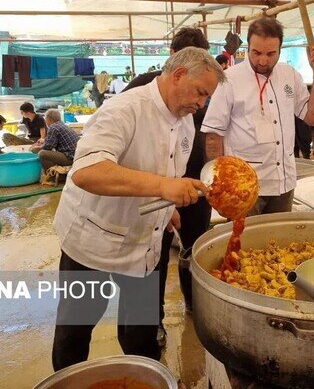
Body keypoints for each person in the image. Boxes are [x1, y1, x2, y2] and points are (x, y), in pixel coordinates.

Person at [51, 47, 225, 371]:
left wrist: (167, 208)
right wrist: (164, 187)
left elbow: (165, 174)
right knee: (75, 332)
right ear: (178, 75)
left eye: (207, 98)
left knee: (142, 332)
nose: (202, 104)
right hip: (93, 242)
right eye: (201, 93)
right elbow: (88, 172)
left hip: (144, 245)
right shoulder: (124, 110)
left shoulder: (185, 124)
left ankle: (146, 376)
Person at [121, 26, 211, 347]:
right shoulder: (140, 89)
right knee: (153, 255)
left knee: (197, 248)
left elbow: (213, 132)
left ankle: (196, 305)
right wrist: (160, 190)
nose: (199, 100)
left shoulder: (207, 84)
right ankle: (153, 322)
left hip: (196, 183)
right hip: (156, 189)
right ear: (174, 60)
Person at [202, 17, 314, 215]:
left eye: (271, 54)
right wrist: (220, 182)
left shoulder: (290, 75)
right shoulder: (230, 79)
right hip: (244, 187)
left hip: (283, 182)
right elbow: (213, 134)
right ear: (248, 46)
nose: (262, 60)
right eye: (256, 53)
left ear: (280, 49)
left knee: (279, 244)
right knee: (244, 242)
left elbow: (313, 118)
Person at [122, 28, 209, 93]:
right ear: (172, 52)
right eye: (189, 59)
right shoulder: (143, 83)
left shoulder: (204, 88)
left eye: (200, 61)